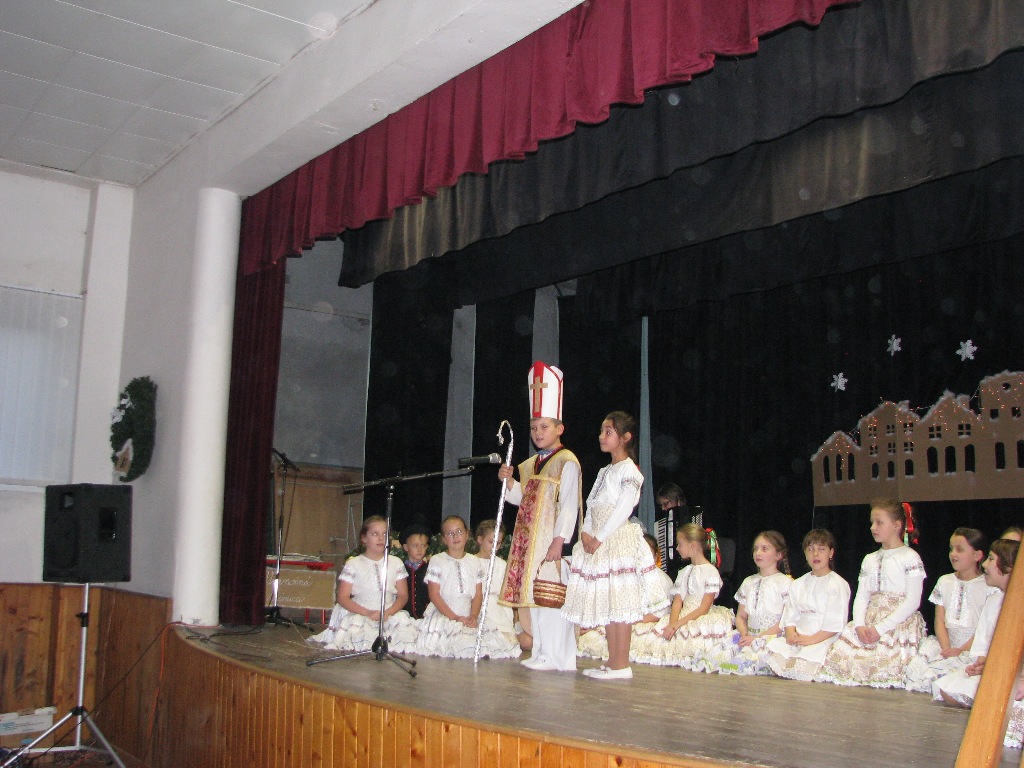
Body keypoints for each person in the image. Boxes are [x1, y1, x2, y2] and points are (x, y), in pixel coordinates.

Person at [561, 411, 669, 680]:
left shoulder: (629, 470)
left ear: (625, 437)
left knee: (620, 604)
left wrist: (600, 536)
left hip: (615, 540)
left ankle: (621, 664)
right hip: (597, 540)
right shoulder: (604, 471)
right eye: (601, 431)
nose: (601, 436)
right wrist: (586, 532)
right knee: (610, 603)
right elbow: (592, 505)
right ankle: (613, 661)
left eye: (608, 432)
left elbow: (623, 508)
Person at [497, 361, 582, 672]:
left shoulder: (566, 461)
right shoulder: (530, 464)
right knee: (535, 598)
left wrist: (560, 540)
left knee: (551, 598)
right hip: (530, 542)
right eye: (534, 428)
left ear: (559, 428)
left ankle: (558, 657)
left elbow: (569, 504)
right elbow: (523, 499)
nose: (537, 433)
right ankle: (541, 651)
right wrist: (510, 483)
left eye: (544, 427)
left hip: (550, 541)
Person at [819, 499, 926, 688]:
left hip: (897, 622)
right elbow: (862, 596)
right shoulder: (869, 559)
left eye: (879, 522)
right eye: (872, 523)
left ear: (897, 525)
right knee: (840, 658)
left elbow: (913, 600)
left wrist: (881, 628)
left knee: (882, 663)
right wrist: (859, 625)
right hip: (870, 620)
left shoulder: (909, 557)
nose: (872, 527)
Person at [630, 523, 734, 671]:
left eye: (680, 544)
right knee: (653, 637)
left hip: (699, 615)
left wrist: (678, 624)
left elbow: (704, 608)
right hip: (682, 615)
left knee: (691, 639)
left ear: (692, 545)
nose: (677, 548)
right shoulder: (684, 572)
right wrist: (672, 623)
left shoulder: (710, 572)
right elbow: (677, 602)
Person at [932, 539, 1018, 717]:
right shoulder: (994, 600)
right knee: (947, 690)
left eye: (991, 559)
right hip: (994, 667)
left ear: (1008, 567)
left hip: (1013, 671)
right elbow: (983, 638)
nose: (985, 564)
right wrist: (981, 664)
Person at [308, 515, 418, 653]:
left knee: (404, 634)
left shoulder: (396, 562)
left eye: (384, 534)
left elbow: (403, 595)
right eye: (375, 534)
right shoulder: (354, 564)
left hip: (389, 612)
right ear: (364, 538)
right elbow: (343, 597)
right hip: (361, 611)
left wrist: (387, 613)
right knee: (359, 633)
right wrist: (368, 613)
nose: (381, 538)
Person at [415, 515, 519, 659]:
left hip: (468, 614)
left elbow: (478, 594)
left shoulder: (474, 561)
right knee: (455, 645)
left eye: (459, 532)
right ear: (444, 539)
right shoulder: (437, 560)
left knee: (486, 645)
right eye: (450, 533)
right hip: (445, 615)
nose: (455, 536)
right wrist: (454, 617)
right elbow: (434, 594)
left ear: (467, 534)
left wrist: (473, 616)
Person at [904, 527, 989, 693]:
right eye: (951, 549)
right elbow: (940, 620)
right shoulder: (944, 581)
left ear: (977, 555)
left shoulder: (987, 585)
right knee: (922, 670)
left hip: (972, 647)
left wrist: (961, 650)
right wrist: (946, 648)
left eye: (960, 550)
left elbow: (984, 628)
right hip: (946, 643)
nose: (953, 554)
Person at [765, 529, 851, 681]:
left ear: (831, 553)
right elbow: (789, 616)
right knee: (772, 651)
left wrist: (811, 639)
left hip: (823, 638)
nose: (815, 554)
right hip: (799, 637)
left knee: (807, 661)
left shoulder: (837, 584)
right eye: (810, 549)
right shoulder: (798, 584)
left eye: (821, 549)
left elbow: (835, 623)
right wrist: (791, 634)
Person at [576, 532, 673, 661]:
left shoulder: (658, 578)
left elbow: (657, 614)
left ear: (655, 556)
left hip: (645, 622)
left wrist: (623, 622)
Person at [719, 530, 793, 675]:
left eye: (764, 549)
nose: (758, 553)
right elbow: (741, 616)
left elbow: (785, 622)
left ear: (779, 555)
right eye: (755, 549)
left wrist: (757, 639)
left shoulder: (786, 583)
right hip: (749, 636)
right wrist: (745, 634)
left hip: (772, 638)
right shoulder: (749, 582)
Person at [474, 519, 519, 648]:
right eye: (491, 542)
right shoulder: (471, 562)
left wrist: (510, 619)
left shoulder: (502, 564)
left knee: (508, 642)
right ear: (480, 539)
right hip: (479, 607)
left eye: (498, 543)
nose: (495, 546)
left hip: (499, 609)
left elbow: (507, 595)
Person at [399, 521, 432, 619]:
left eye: (423, 545)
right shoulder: (400, 569)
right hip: (404, 618)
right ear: (406, 547)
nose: (419, 549)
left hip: (425, 618)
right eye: (415, 546)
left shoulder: (429, 569)